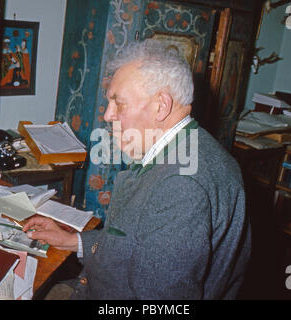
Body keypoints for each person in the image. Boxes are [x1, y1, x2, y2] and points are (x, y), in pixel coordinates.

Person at [23, 39, 251, 300]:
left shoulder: (181, 184)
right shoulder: (182, 149)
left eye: (119, 103)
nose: (108, 115)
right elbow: (130, 243)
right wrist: (71, 241)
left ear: (161, 106)